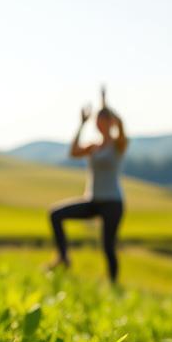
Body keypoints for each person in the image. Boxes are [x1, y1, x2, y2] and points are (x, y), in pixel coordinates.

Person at [48, 90, 129, 282]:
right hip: (92, 200)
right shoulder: (93, 146)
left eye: (104, 119)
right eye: (98, 120)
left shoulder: (118, 145)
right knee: (55, 214)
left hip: (113, 202)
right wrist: (81, 124)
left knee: (108, 245)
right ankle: (63, 258)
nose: (100, 123)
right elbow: (73, 152)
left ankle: (113, 283)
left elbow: (122, 126)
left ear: (110, 122)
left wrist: (106, 105)